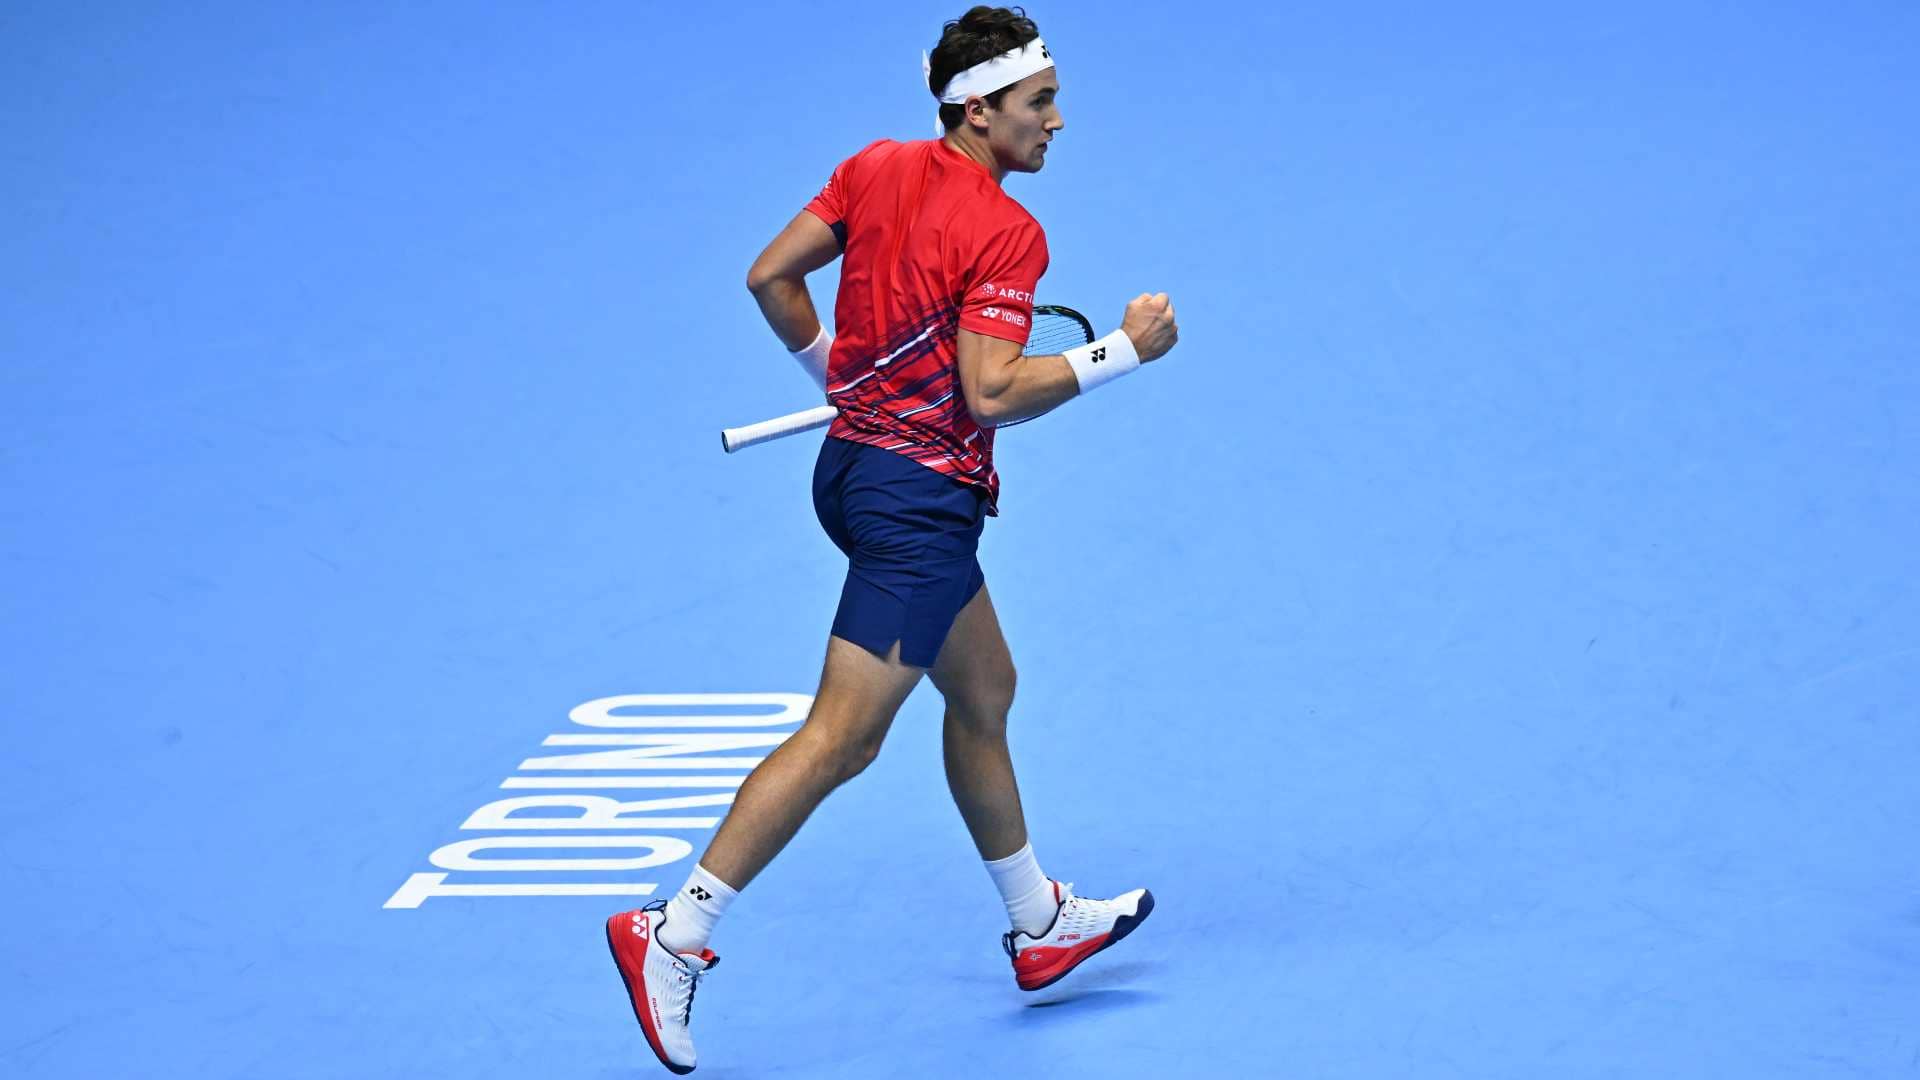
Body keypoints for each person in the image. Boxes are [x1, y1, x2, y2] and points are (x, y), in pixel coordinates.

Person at [606, 6, 1179, 1073]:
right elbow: (993, 391)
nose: (1058, 120)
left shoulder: (873, 165)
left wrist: (837, 378)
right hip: (916, 504)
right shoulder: (1008, 231)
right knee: (845, 737)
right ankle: (673, 932)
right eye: (1039, 102)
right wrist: (1121, 355)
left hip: (854, 473)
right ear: (979, 110)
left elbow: (770, 277)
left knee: (985, 690)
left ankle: (1039, 921)